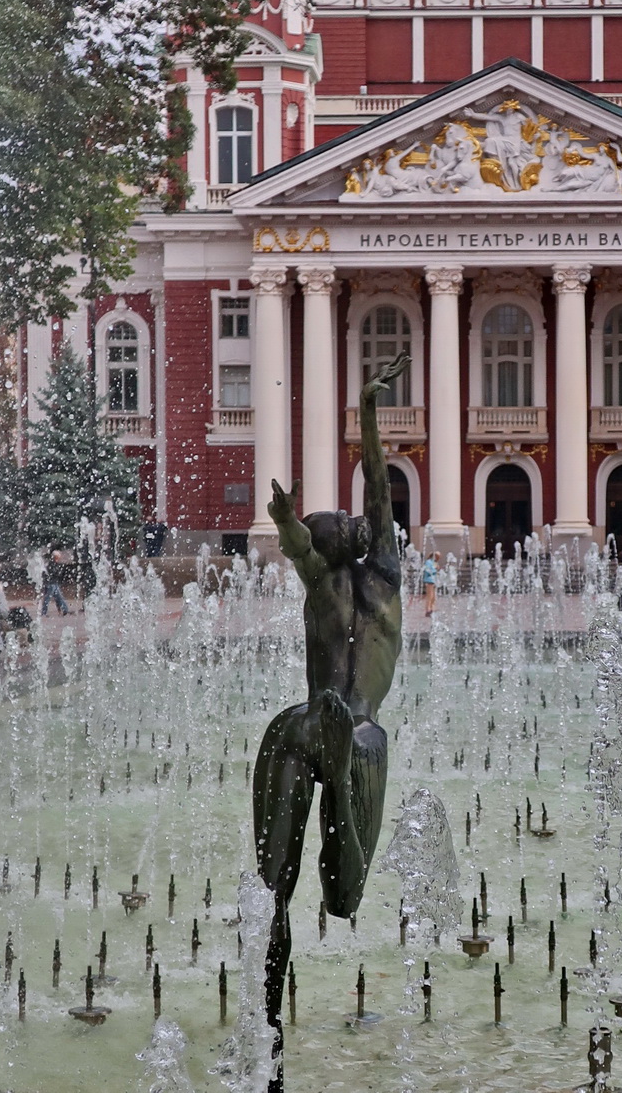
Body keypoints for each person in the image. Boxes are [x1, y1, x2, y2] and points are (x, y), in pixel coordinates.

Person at [252, 352, 410, 1053]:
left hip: (310, 723)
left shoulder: (348, 578)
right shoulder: (365, 578)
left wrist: (371, 413)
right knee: (327, 891)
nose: (346, 517)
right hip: (351, 733)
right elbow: (304, 537)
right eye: (332, 518)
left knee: (279, 885)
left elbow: (366, 495)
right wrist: (286, 522)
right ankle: (339, 803)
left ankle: (268, 1013)